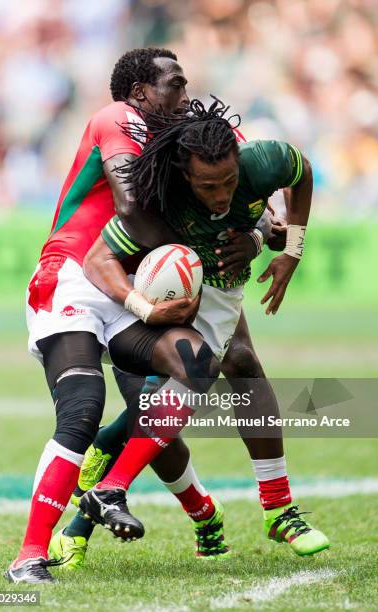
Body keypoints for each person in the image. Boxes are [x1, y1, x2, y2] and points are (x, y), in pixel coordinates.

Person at [5, 49, 266, 584]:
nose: (185, 90)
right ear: (140, 93)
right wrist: (206, 249)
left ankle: (120, 491)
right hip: (77, 273)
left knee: (195, 367)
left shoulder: (189, 140)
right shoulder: (118, 119)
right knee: (81, 409)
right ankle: (29, 556)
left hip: (135, 284)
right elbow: (128, 205)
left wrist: (261, 233)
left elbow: (255, 194)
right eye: (174, 82)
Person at [72, 99, 329, 563]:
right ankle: (93, 508)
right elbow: (98, 259)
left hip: (219, 290)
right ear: (185, 176)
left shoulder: (261, 160)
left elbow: (301, 174)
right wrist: (143, 308)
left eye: (229, 181)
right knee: (175, 389)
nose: (220, 194)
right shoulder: (158, 200)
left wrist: (289, 248)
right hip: (157, 291)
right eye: (209, 186)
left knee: (224, 371)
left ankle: (276, 508)